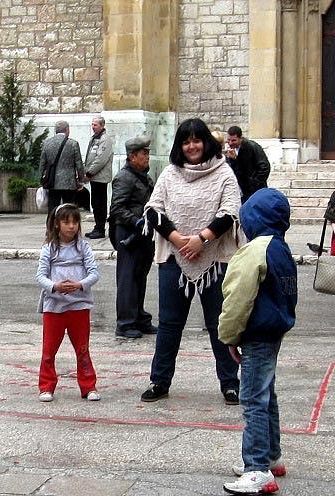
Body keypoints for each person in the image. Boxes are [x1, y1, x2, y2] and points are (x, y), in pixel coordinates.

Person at [140, 118, 242, 405]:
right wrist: (176, 238)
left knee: (218, 323)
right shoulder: (170, 174)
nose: (192, 146)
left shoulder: (223, 173)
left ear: (206, 141)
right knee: (169, 323)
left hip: (215, 260)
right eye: (186, 141)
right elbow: (153, 210)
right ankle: (159, 380)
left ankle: (230, 383)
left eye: (197, 140)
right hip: (175, 258)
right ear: (179, 146)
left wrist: (202, 239)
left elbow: (231, 211)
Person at [219, 188, 296, 495]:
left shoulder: (253, 251)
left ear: (252, 218)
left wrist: (229, 335)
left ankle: (256, 468)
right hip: (274, 330)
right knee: (267, 395)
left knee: (253, 400)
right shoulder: (280, 247)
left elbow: (238, 298)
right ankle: (271, 455)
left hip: (256, 333)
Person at [35, 203, 101, 402]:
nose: (71, 226)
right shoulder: (49, 248)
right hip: (54, 307)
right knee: (49, 351)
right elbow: (40, 276)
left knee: (82, 349)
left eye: (75, 222)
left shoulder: (83, 247)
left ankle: (88, 386)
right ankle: (46, 386)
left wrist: (80, 285)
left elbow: (94, 273)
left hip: (79, 306)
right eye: (66, 222)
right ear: (56, 225)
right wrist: (55, 286)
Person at [108, 136, 156, 339]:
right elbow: (117, 209)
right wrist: (136, 221)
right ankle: (125, 322)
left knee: (139, 276)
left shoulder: (143, 176)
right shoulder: (124, 177)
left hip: (143, 233)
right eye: (144, 153)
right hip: (129, 233)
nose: (147, 157)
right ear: (132, 156)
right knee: (128, 278)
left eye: (147, 153)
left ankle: (138, 317)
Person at [39, 121, 85, 214]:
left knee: (52, 207)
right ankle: (66, 224)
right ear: (67, 130)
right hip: (69, 182)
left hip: (52, 182)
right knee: (69, 208)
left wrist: (41, 180)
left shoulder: (47, 143)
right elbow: (79, 164)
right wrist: (81, 180)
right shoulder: (73, 144)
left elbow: (42, 164)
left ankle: (51, 226)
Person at [84, 115, 114, 239]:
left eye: (95, 125)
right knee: (95, 203)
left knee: (99, 203)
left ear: (102, 126)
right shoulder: (94, 139)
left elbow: (100, 159)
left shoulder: (104, 139)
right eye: (92, 124)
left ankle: (100, 228)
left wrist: (89, 172)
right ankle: (97, 226)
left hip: (100, 177)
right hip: (94, 177)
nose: (93, 127)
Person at [225, 126, 270, 203]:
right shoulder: (231, 151)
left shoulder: (253, 147)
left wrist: (254, 183)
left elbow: (264, 167)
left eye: (233, 140)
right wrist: (233, 160)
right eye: (228, 140)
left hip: (255, 190)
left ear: (240, 138)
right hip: (241, 191)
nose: (230, 143)